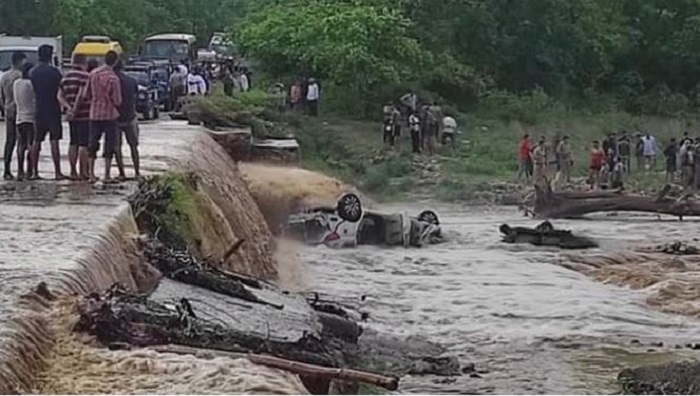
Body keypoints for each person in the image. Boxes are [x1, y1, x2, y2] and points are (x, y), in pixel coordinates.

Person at [81, 50, 122, 183]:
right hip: (110, 115)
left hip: (94, 114)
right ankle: (106, 174)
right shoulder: (113, 78)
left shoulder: (93, 74)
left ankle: (91, 174)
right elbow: (117, 100)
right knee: (109, 144)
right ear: (115, 62)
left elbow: (86, 95)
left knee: (92, 144)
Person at [30, 44, 65, 180]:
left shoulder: (33, 72)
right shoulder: (55, 72)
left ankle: (34, 172)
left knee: (36, 140)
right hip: (53, 108)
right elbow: (60, 89)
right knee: (54, 140)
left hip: (39, 108)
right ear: (50, 56)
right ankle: (57, 172)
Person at [58, 53, 91, 180]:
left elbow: (59, 96)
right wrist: (75, 110)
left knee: (73, 143)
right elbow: (81, 95)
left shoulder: (65, 77)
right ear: (84, 62)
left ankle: (73, 171)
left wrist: (68, 108)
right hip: (84, 115)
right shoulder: (85, 76)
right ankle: (84, 172)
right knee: (84, 144)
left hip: (71, 117)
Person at [0, 51, 26, 180]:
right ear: (20, 61)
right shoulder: (20, 76)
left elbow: (1, 96)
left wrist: (4, 109)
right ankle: (21, 170)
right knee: (22, 140)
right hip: (20, 110)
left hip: (8, 109)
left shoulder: (4, 76)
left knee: (9, 141)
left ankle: (7, 169)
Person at [114, 59, 140, 180]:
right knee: (133, 146)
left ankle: (122, 173)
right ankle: (137, 172)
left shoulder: (111, 81)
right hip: (130, 117)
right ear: (123, 67)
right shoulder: (131, 81)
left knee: (117, 147)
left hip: (115, 118)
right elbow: (135, 94)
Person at [13, 63, 35, 181]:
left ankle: (20, 171)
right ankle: (29, 170)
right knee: (30, 145)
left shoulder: (16, 83)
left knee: (20, 145)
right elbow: (34, 100)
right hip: (30, 118)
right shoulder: (30, 84)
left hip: (19, 117)